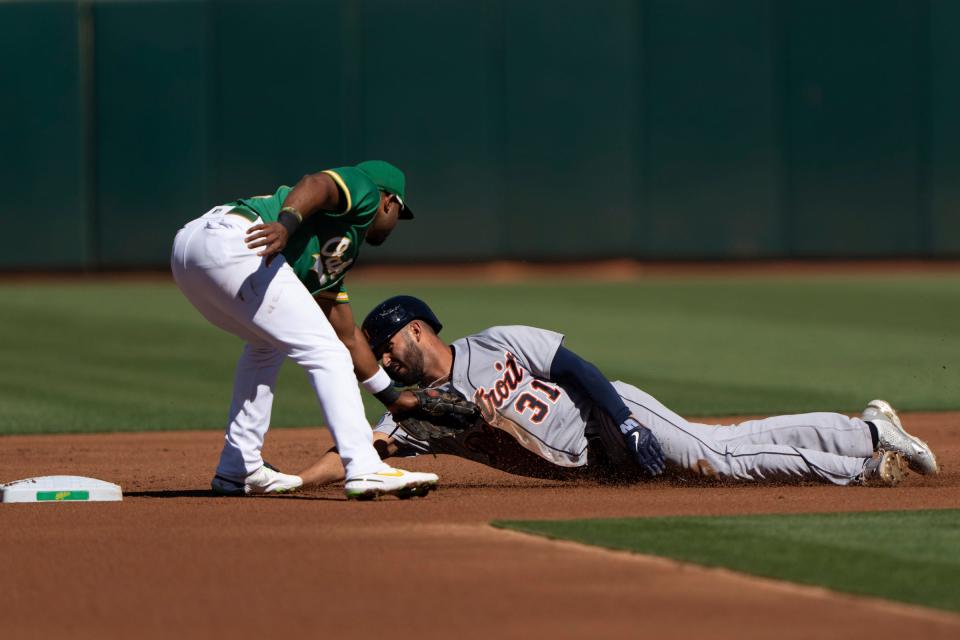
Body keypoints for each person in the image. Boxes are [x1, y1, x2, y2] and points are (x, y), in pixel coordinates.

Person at [295, 295, 939, 488]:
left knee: (717, 457)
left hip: (608, 416)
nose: (383, 360)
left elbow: (575, 367)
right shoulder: (425, 420)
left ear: (414, 331)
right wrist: (292, 482)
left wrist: (624, 420)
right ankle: (867, 431)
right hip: (594, 463)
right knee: (729, 443)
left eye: (386, 348)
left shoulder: (496, 342)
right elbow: (356, 451)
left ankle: (863, 459)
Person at [170, 163, 439, 500]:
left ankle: (238, 468)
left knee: (265, 345)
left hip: (191, 254)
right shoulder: (366, 191)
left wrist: (394, 398)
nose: (397, 221)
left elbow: (347, 334)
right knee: (326, 354)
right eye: (400, 211)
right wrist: (285, 225)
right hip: (238, 240)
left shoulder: (337, 253)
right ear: (389, 201)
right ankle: (364, 467)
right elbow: (318, 183)